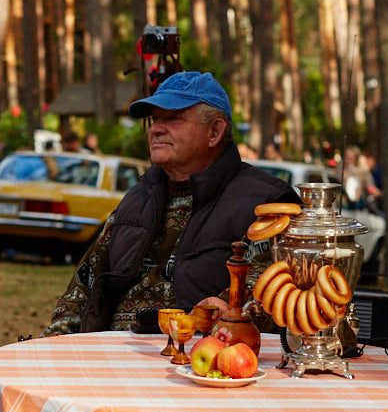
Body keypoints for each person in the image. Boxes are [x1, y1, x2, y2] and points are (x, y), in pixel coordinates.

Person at [42, 71, 300, 336]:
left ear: (215, 131)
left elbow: (270, 290)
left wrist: (220, 311)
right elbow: (83, 286)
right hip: (113, 353)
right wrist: (54, 341)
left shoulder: (267, 202)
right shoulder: (138, 197)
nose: (156, 128)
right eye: (154, 119)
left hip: (202, 360)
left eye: (174, 118)